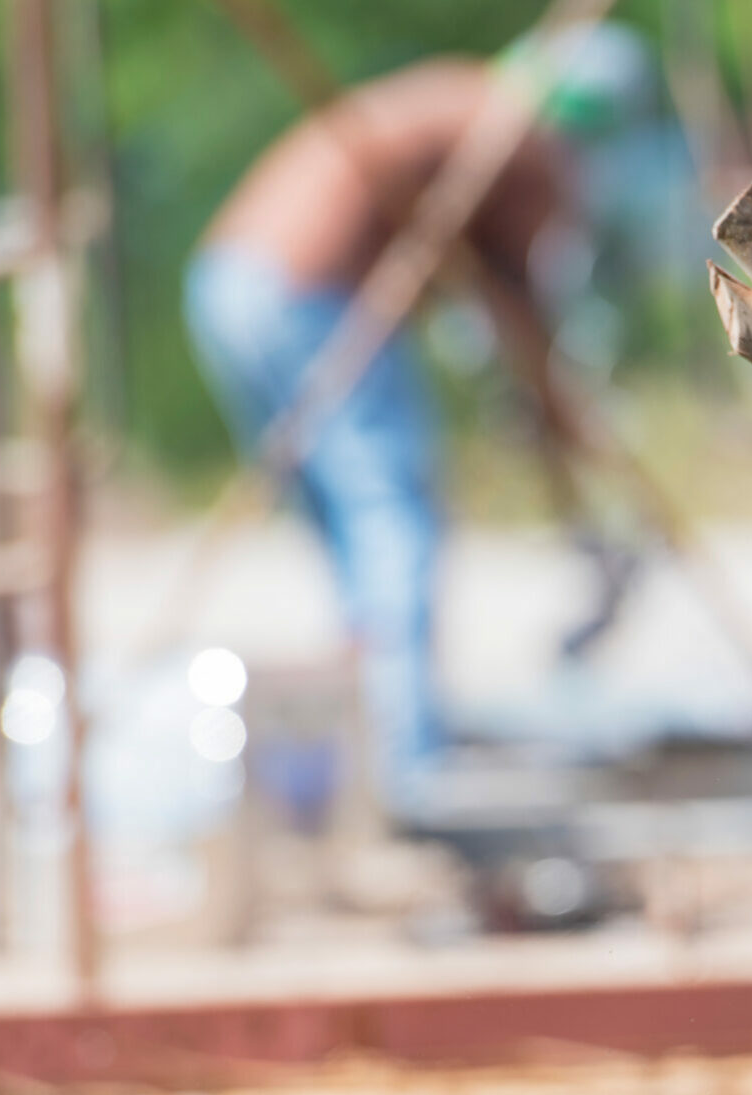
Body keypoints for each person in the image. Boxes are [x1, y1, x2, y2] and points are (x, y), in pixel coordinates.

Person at [185, 59, 571, 819]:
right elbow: (519, 298)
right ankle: (406, 758)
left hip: (226, 283)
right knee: (392, 511)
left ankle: (368, 735)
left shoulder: (459, 106)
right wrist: (553, 411)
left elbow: (490, 285)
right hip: (306, 289)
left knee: (345, 530)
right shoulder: (523, 141)